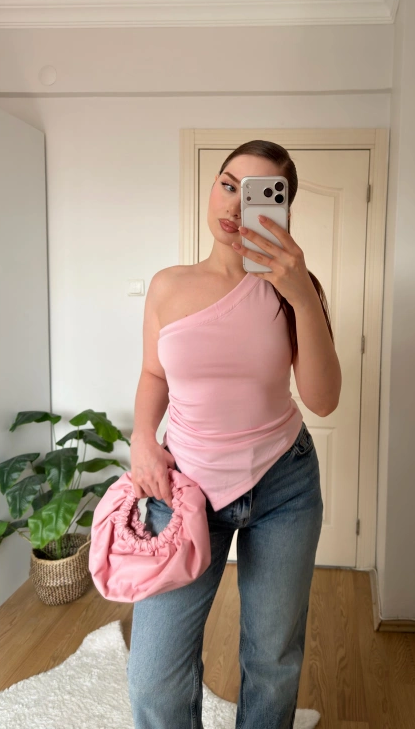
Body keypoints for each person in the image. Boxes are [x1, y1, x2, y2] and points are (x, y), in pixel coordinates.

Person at [126, 139, 342, 729]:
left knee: (272, 659)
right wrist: (143, 438)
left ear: (281, 210)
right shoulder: (168, 286)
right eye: (228, 184)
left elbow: (323, 399)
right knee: (153, 677)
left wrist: (302, 295)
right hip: (184, 490)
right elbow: (153, 374)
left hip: (284, 487)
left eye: (256, 194)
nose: (234, 204)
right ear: (213, 188)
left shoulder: (294, 290)